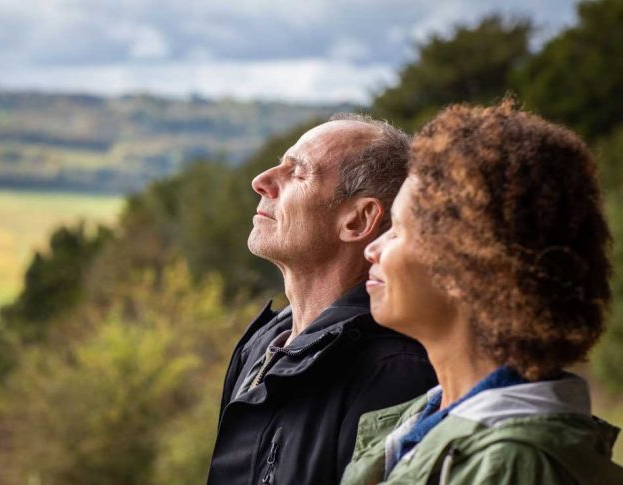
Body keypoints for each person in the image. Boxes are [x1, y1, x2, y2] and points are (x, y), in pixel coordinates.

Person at [341, 102, 623, 485]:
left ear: (465, 266)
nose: (371, 249)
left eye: (398, 231)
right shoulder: (421, 423)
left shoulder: (515, 466)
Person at [206, 114, 437, 485]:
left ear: (359, 221)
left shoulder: (396, 371)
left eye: (298, 173)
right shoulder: (263, 342)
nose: (261, 181)